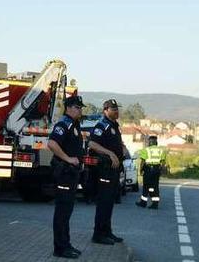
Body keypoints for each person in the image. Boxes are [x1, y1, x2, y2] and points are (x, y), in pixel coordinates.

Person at [47, 95, 86, 259]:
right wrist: (68, 159)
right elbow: (52, 143)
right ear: (69, 108)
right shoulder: (64, 124)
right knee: (62, 212)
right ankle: (60, 248)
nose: (80, 110)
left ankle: (66, 244)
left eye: (80, 107)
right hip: (64, 173)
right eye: (77, 107)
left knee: (67, 210)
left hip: (71, 174)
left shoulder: (74, 124)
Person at [88, 99, 127, 245]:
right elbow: (92, 143)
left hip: (114, 170)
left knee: (110, 202)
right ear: (105, 110)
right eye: (113, 109)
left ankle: (107, 231)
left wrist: (121, 148)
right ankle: (98, 234)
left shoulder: (114, 126)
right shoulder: (102, 125)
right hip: (105, 170)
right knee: (103, 202)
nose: (116, 111)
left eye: (117, 108)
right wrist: (110, 154)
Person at [135, 135, 167, 209]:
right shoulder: (161, 150)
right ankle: (155, 204)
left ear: (150, 142)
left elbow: (142, 161)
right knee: (155, 186)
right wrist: (161, 170)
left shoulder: (146, 150)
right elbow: (163, 162)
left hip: (148, 169)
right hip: (156, 170)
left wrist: (140, 170)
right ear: (156, 142)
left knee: (146, 186)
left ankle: (143, 202)